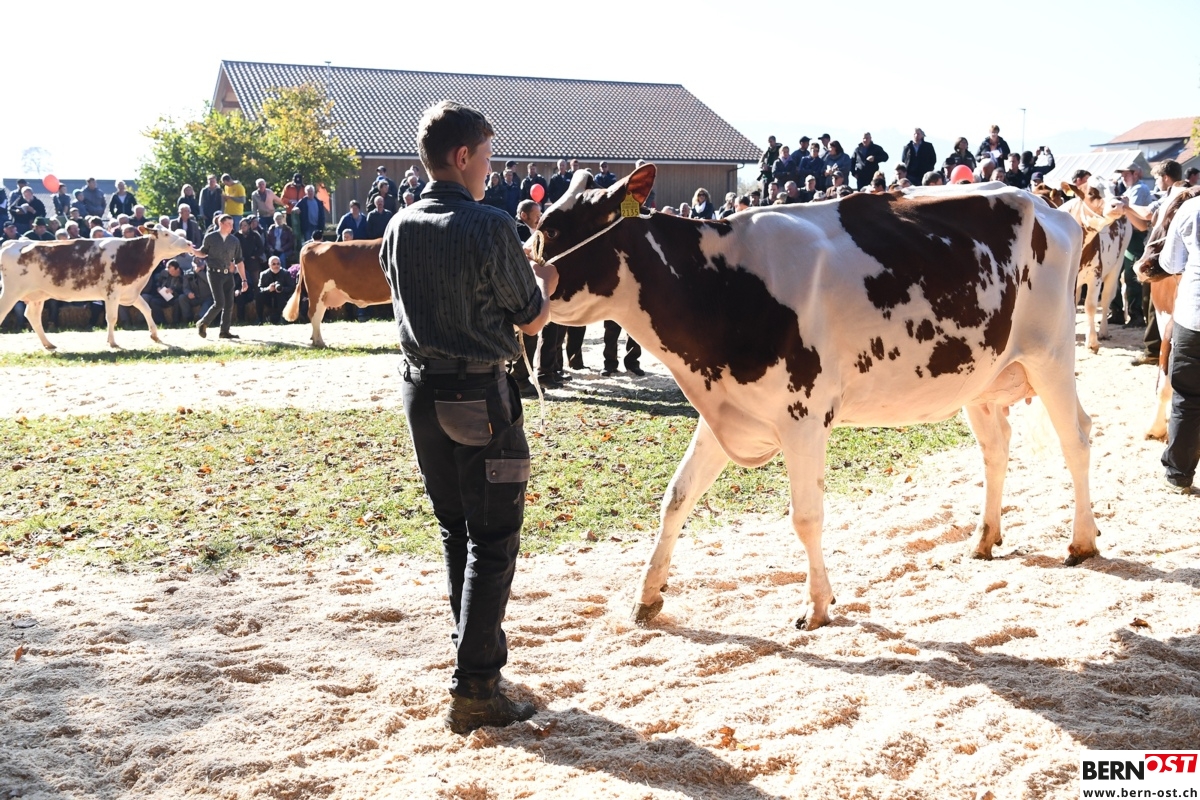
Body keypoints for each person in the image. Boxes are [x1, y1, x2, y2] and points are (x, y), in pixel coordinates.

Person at [378, 100, 557, 734]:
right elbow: (529, 318)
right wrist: (545, 281)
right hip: (479, 397)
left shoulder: (399, 224)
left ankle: (471, 660)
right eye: (485, 157)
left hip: (420, 393)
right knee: (494, 538)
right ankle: (477, 685)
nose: (489, 169)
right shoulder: (491, 224)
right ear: (462, 157)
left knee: (457, 530)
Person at [1157, 190, 1200, 494]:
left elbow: (1171, 263)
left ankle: (1179, 474)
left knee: (1187, 397)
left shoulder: (1191, 208)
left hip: (1194, 315)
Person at [195, 214, 249, 339]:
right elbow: (203, 252)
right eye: (228, 224)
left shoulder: (234, 241)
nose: (231, 227)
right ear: (221, 224)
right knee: (219, 303)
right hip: (214, 273)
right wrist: (192, 251)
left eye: (232, 224)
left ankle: (224, 331)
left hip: (228, 274)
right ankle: (203, 323)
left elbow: (239, 261)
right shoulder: (210, 237)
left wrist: (244, 280)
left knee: (229, 304)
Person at [256, 256, 296, 324]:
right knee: (259, 296)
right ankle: (259, 319)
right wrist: (268, 289)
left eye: (278, 264)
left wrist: (282, 289)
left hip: (281, 297)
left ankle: (283, 318)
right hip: (268, 296)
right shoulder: (263, 274)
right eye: (273, 264)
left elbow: (292, 287)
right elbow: (259, 289)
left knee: (281, 295)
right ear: (269, 265)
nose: (276, 266)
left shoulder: (286, 273)